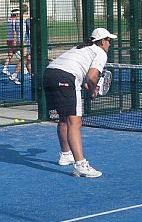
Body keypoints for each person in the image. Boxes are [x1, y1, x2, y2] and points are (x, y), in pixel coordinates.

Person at [42, 27, 116, 178]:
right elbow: (92, 76)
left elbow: (83, 78)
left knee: (64, 117)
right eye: (109, 40)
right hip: (65, 77)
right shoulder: (100, 52)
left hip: (49, 74)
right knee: (75, 122)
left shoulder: (81, 48)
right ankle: (80, 165)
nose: (110, 44)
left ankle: (65, 154)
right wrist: (92, 90)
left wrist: (90, 89)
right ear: (102, 41)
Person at [9, 5, 31, 85]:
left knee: (28, 59)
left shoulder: (17, 19)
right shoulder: (26, 19)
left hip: (20, 40)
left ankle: (32, 76)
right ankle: (14, 75)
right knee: (24, 59)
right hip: (25, 41)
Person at [2, 8, 21, 77]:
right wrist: (15, 40)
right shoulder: (14, 21)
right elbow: (14, 31)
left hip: (9, 39)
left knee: (10, 54)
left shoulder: (9, 20)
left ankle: (5, 68)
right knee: (20, 53)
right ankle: (24, 67)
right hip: (12, 39)